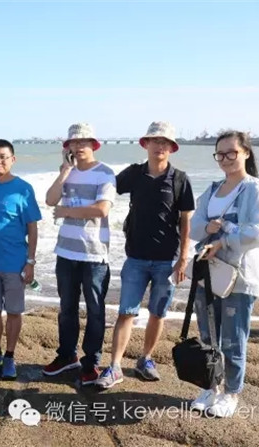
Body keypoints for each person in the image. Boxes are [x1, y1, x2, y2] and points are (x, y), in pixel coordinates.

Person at [95, 121, 195, 389]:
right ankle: (115, 366)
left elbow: (186, 221)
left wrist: (183, 259)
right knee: (126, 312)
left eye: (165, 142)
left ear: (171, 148)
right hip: (136, 258)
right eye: (155, 141)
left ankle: (146, 359)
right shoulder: (134, 174)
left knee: (157, 313)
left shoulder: (180, 179)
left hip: (167, 260)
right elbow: (106, 188)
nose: (159, 146)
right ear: (146, 144)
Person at [188, 130, 259, 417]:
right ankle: (211, 387)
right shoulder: (212, 189)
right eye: (220, 154)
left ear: (245, 153)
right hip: (208, 273)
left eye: (231, 153)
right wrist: (208, 228)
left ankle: (232, 393)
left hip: (239, 277)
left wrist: (222, 240)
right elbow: (194, 226)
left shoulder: (254, 189)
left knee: (233, 339)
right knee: (207, 335)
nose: (225, 159)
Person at [43, 123, 116, 386]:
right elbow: (50, 200)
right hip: (66, 251)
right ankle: (67, 355)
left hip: (94, 254)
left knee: (95, 310)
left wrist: (67, 212)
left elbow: (102, 209)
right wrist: (64, 172)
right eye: (74, 142)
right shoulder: (67, 172)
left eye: (84, 141)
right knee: (67, 308)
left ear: (93, 144)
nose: (79, 146)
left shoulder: (105, 173)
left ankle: (91, 362)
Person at [0, 139, 42, 380]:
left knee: (14, 312)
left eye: (3, 157)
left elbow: (32, 228)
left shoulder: (23, 188)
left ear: (12, 159)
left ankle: (10, 357)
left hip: (16, 264)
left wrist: (30, 262)